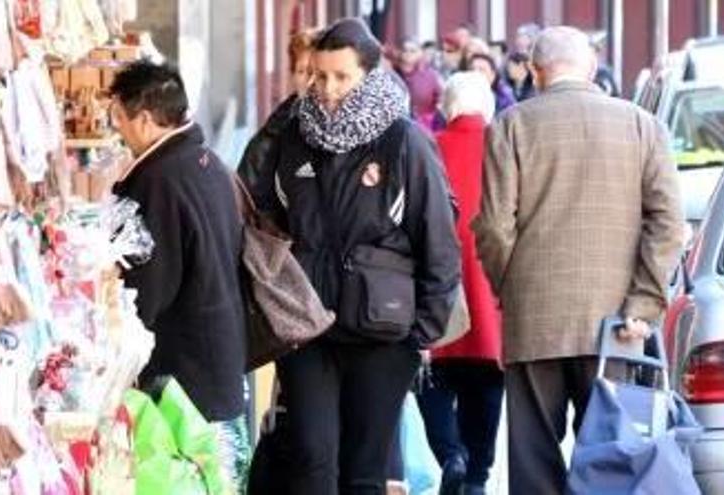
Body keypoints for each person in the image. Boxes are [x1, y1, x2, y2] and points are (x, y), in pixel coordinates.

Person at [471, 26, 684, 495]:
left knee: (533, 465)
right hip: (617, 325)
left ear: (535, 70)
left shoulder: (511, 125)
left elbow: (491, 226)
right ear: (591, 67)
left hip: (535, 318)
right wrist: (643, 304)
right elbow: (668, 224)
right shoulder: (641, 125)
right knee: (613, 460)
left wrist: (514, 284)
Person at [262, 18, 462, 495]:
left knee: (365, 472)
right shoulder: (292, 139)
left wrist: (422, 333)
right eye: (320, 75)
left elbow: (438, 237)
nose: (327, 89)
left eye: (341, 77)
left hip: (383, 334)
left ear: (369, 76)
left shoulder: (404, 141)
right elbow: (265, 222)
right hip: (308, 328)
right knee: (311, 459)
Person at [108, 60, 249, 492]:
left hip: (186, 375)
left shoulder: (158, 180)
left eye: (119, 119)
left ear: (146, 120)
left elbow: (150, 287)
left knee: (190, 477)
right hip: (219, 358)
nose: (118, 131)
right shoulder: (203, 160)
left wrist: (117, 338)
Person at [416, 71, 502, 495]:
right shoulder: (503, 149)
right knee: (486, 383)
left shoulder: (429, 148)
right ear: (487, 108)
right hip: (490, 288)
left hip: (438, 288)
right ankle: (478, 475)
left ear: (446, 108)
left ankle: (450, 454)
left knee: (433, 381)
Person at [238, 28, 317, 209]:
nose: (310, 81)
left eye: (316, 72)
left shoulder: (350, 131)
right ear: (292, 76)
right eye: (301, 71)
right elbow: (245, 202)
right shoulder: (271, 136)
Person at [396, 38, 443, 132]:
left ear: (420, 54)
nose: (407, 54)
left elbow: (441, 102)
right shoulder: (392, 75)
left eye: (412, 51)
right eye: (404, 50)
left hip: (425, 128)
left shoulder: (431, 76)